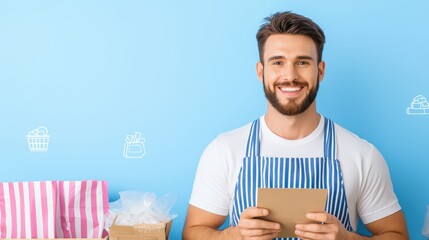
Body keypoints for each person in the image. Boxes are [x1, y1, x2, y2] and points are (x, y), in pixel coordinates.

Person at [182, 11, 409, 240]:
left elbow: (398, 235)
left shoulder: (362, 154)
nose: (290, 75)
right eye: (278, 62)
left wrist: (347, 239)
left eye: (302, 62)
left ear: (320, 71)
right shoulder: (224, 150)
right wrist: (235, 236)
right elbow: (192, 233)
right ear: (261, 72)